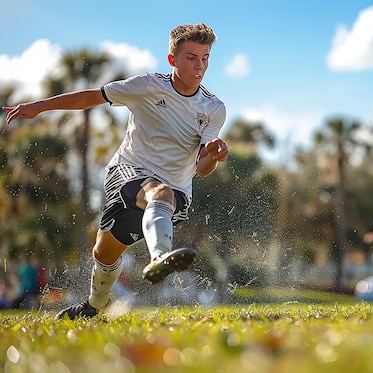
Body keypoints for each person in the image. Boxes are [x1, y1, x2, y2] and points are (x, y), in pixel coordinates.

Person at [2, 23, 229, 320]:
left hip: (175, 192)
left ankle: (124, 283)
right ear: (172, 59)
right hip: (129, 171)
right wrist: (40, 106)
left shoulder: (213, 108)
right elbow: (91, 96)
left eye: (205, 58)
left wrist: (213, 155)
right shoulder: (148, 86)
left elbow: (202, 168)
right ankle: (128, 279)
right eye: (191, 58)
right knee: (124, 231)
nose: (200, 66)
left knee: (128, 228)